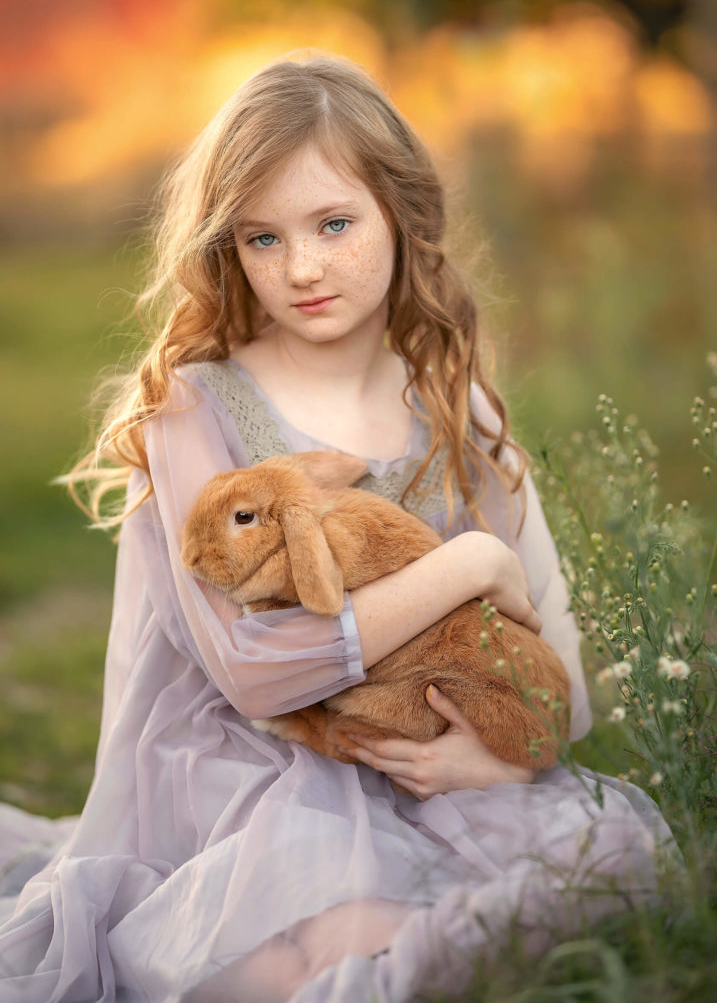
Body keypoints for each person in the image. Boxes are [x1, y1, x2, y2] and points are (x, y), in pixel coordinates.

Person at [0, 55, 671, 1002]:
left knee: (605, 870)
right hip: (248, 773)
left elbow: (552, 655)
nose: (302, 268)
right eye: (262, 238)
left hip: (429, 766)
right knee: (320, 949)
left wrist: (498, 761)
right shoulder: (195, 408)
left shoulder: (456, 409)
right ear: (229, 248)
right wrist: (467, 566)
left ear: (400, 213)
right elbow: (253, 673)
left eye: (334, 224)